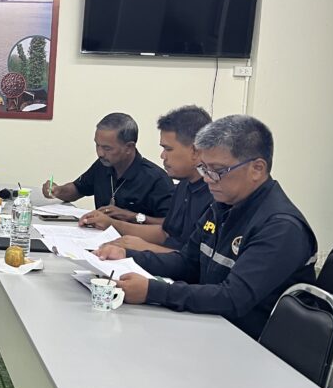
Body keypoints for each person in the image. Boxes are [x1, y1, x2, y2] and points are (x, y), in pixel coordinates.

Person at [97, 114, 317, 340]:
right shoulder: (222, 206)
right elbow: (188, 262)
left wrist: (152, 291)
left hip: (253, 343)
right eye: (204, 169)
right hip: (214, 326)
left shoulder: (281, 227)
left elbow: (233, 298)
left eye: (218, 170)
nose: (208, 179)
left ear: (257, 169)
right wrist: (127, 255)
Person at [80, 105, 213, 252]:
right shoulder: (184, 186)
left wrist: (146, 248)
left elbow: (195, 259)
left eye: (168, 149)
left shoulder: (215, 195)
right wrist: (114, 226)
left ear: (196, 151)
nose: (162, 156)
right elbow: (165, 233)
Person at [41, 112, 173, 222]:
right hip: (99, 238)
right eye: (97, 145)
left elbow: (170, 226)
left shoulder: (156, 179)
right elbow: (78, 189)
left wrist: (133, 217)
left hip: (136, 243)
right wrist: (58, 190)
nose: (100, 153)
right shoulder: (102, 165)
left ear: (129, 147)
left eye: (107, 148)